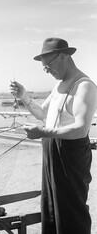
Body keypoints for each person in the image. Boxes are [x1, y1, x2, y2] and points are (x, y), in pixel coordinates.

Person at [10, 37, 97, 234]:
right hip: (51, 153)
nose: (47, 70)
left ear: (64, 56)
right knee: (51, 210)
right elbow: (43, 113)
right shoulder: (59, 85)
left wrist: (43, 132)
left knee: (71, 212)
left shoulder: (84, 86)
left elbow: (81, 129)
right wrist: (23, 95)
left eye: (48, 65)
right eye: (44, 68)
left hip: (71, 156)